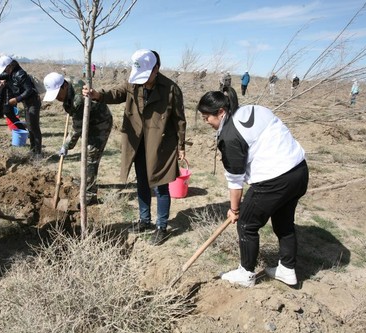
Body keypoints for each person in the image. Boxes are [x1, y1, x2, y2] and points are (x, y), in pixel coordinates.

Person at [197, 87, 308, 287]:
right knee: (284, 222)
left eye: (207, 118)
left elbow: (235, 181)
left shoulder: (230, 137)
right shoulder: (251, 109)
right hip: (299, 171)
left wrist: (234, 210)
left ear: (220, 112)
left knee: (247, 224)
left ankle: (246, 273)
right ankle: (287, 269)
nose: (206, 122)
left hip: (273, 178)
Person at [83, 49, 186, 245]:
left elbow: (180, 120)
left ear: (156, 69)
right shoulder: (133, 83)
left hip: (161, 142)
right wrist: (97, 95)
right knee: (142, 182)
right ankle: (144, 220)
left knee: (160, 184)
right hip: (137, 140)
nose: (143, 81)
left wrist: (181, 146)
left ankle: (161, 226)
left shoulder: (171, 89)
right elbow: (117, 93)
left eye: (147, 76)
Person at [43, 72, 112, 205]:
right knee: (87, 155)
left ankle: (90, 195)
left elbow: (77, 129)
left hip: (100, 123)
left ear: (64, 86)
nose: (57, 98)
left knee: (91, 156)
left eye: (57, 94)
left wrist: (66, 145)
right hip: (87, 119)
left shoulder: (78, 101)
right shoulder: (69, 80)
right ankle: (87, 181)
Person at [0, 56, 42, 157]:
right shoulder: (10, 74)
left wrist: (17, 99)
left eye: (6, 68)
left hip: (33, 102)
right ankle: (33, 149)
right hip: (26, 103)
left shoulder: (20, 74)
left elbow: (28, 90)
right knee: (29, 126)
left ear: (11, 65)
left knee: (34, 127)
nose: (5, 71)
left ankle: (37, 152)